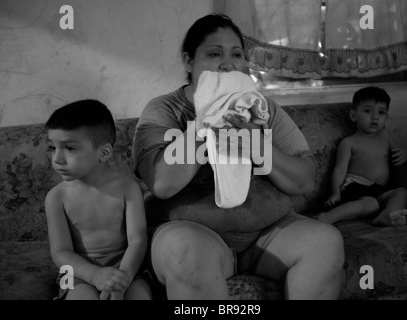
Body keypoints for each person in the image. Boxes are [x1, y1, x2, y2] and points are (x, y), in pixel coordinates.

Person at [132, 14, 344, 300]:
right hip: (193, 233)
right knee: (186, 250)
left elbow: (304, 181)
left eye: (236, 54)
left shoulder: (262, 108)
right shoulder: (165, 110)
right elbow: (162, 184)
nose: (227, 63)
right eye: (214, 53)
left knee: (325, 242)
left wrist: (256, 145)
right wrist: (207, 120)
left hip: (266, 233)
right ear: (188, 62)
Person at [44, 99, 152, 300]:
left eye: (69, 148)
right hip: (76, 270)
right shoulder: (56, 197)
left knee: (140, 296)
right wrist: (94, 275)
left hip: (125, 265)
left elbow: (137, 240)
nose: (57, 159)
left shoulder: (128, 188)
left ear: (103, 153)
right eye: (52, 148)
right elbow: (61, 252)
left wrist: (123, 278)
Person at [317, 87, 407, 226]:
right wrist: (335, 193)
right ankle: (328, 217)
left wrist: (406, 153)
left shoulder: (385, 136)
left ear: (387, 117)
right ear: (354, 116)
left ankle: (387, 215)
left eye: (381, 112)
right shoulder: (349, 142)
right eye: (368, 111)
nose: (375, 117)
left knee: (403, 193)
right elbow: (339, 170)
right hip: (356, 187)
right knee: (371, 204)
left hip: (380, 190)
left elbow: (398, 152)